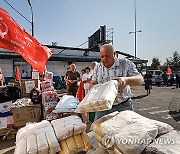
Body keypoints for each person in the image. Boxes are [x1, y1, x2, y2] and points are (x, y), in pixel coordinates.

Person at [90, 44, 144, 120]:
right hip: (102, 107)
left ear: (114, 54)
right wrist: (92, 84)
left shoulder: (125, 63)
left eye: (107, 56)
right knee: (98, 129)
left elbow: (140, 79)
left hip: (123, 105)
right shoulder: (98, 67)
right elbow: (93, 81)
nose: (104, 59)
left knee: (126, 129)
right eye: (102, 57)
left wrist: (126, 80)